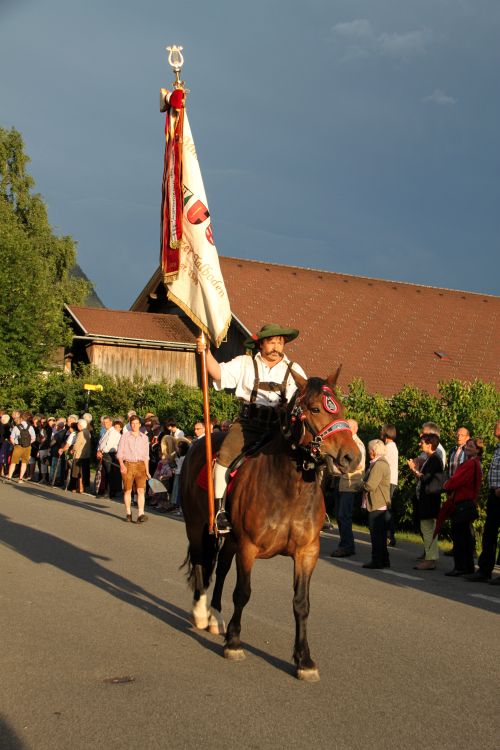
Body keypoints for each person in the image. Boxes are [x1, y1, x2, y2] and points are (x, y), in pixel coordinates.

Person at [196, 322, 306, 533]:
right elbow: (218, 373)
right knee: (224, 459)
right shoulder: (244, 363)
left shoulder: (295, 370)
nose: (276, 346)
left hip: (279, 427)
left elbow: (305, 396)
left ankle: (308, 512)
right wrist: (206, 352)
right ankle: (220, 512)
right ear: (261, 344)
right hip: (249, 425)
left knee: (307, 458)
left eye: (280, 342)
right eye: (272, 342)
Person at [435, 438, 483, 576]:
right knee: (465, 537)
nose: (467, 447)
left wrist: (446, 486)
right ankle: (467, 567)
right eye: (467, 445)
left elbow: (456, 480)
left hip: (463, 502)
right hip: (467, 502)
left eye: (471, 446)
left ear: (478, 450)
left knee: (460, 537)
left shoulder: (470, 464)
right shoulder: (475, 463)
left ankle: (460, 567)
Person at [465, 420, 500, 584]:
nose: (495, 426)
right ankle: (485, 571)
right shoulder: (498, 448)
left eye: (498, 424)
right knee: (489, 533)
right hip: (494, 495)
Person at [408, 433, 444, 570]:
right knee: (428, 529)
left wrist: (414, 469)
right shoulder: (431, 459)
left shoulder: (434, 459)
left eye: (422, 442)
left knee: (429, 530)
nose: (420, 444)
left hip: (429, 501)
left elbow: (426, 478)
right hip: (427, 499)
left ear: (429, 444)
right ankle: (430, 557)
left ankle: (430, 559)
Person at [330, 419, 365, 557]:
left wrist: (339, 467)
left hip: (350, 483)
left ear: (354, 429)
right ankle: (345, 544)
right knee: (340, 515)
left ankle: (347, 546)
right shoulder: (348, 442)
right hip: (342, 482)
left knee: (344, 515)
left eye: (347, 428)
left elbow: (357, 464)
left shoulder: (358, 444)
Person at [361, 439, 391, 569]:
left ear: (373, 451)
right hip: (380, 502)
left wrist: (359, 485)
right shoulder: (380, 463)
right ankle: (384, 559)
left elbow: (370, 485)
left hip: (378, 503)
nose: (369, 452)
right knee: (380, 534)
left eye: (369, 450)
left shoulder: (379, 465)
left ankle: (377, 560)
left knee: (376, 534)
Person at [117, 414, 150, 523]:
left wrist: (147, 471)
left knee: (141, 490)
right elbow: (120, 452)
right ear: (130, 425)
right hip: (128, 465)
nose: (135, 425)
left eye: (136, 423)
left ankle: (141, 513)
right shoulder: (125, 436)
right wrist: (122, 464)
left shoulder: (145, 438)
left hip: (140, 466)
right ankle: (128, 513)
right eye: (132, 423)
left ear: (140, 424)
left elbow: (146, 456)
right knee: (128, 490)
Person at [381, 423, 398, 547]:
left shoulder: (389, 447)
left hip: (389, 481)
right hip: (391, 481)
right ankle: (388, 535)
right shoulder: (391, 446)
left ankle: (389, 536)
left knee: (386, 509)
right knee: (387, 508)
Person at [96, 416, 122, 498]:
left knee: (109, 474)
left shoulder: (113, 432)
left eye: (107, 422)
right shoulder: (106, 432)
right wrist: (98, 451)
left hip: (110, 454)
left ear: (111, 423)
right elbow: (101, 443)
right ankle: (105, 491)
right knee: (105, 474)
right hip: (104, 454)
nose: (105, 424)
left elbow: (109, 445)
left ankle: (109, 492)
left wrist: (101, 451)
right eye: (104, 423)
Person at [7, 412, 36, 483]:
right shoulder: (31, 427)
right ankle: (20, 479)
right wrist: (28, 443)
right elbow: (34, 438)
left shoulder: (16, 427)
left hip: (18, 446)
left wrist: (14, 444)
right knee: (24, 463)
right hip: (27, 447)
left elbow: (11, 438)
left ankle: (9, 477)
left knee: (13, 462)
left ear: (21, 418)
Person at [70, 418, 91, 493]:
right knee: (84, 472)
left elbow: (77, 445)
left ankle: (80, 488)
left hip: (79, 455)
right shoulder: (88, 432)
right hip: (86, 455)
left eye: (78, 424)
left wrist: (72, 450)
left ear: (80, 425)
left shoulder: (81, 433)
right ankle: (83, 488)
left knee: (78, 473)